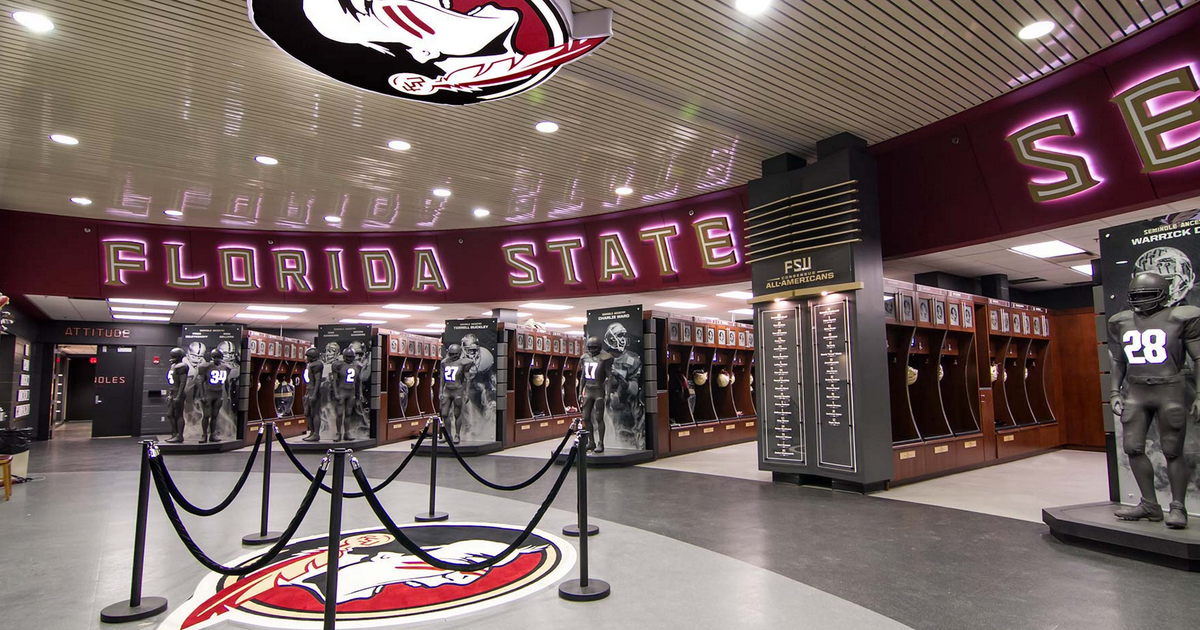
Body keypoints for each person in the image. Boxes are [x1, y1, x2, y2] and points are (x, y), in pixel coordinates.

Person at [1109, 271, 1200, 529]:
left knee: (1172, 451)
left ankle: (1178, 507)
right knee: (1132, 448)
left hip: (1169, 390)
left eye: (1147, 295)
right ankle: (1150, 504)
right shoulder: (1121, 321)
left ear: (1163, 294)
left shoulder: (1181, 317)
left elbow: (1198, 358)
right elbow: (1118, 360)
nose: (1141, 300)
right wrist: (1115, 391)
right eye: (1137, 296)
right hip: (1136, 391)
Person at [605, 322, 644, 449]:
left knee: (627, 443)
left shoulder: (632, 359)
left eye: (623, 335)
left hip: (625, 410)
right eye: (620, 335)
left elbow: (634, 389)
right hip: (604, 409)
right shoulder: (601, 358)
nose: (623, 339)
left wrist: (622, 381)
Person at [578, 336, 613, 453]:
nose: (592, 350)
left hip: (598, 390)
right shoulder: (584, 358)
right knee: (586, 417)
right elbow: (583, 376)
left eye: (594, 347)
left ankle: (601, 443)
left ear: (599, 347)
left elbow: (610, 377)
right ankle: (591, 442)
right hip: (588, 390)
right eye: (590, 347)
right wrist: (580, 392)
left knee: (599, 418)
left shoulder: (605, 358)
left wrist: (608, 393)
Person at [193, 349, 231, 443]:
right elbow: (200, 382)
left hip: (218, 394)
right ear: (212, 358)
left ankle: (213, 434)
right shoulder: (206, 367)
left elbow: (226, 383)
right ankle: (204, 435)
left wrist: (228, 395)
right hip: (208, 393)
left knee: (215, 415)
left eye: (219, 357)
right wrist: (201, 395)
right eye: (215, 357)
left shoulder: (225, 368)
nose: (217, 359)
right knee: (206, 415)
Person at [439, 344, 475, 444]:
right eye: (451, 354)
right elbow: (442, 378)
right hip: (447, 389)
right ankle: (448, 435)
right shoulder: (444, 363)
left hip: (457, 390)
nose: (453, 356)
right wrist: (440, 391)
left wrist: (467, 393)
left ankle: (457, 434)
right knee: (444, 413)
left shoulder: (463, 363)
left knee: (457, 413)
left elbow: (467, 379)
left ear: (459, 353)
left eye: (455, 354)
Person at [331, 348, 362, 442]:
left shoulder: (357, 366)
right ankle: (338, 433)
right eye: (348, 356)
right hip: (342, 391)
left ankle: (347, 433)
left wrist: (359, 394)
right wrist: (335, 393)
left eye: (351, 357)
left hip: (351, 392)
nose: (350, 358)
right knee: (339, 414)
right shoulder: (338, 365)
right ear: (344, 356)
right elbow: (334, 380)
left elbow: (358, 382)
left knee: (348, 414)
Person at [301, 347, 327, 442]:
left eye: (308, 356)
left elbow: (318, 380)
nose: (306, 358)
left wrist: (315, 394)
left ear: (312, 357)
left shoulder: (317, 365)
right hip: (309, 390)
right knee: (307, 413)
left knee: (315, 412)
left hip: (313, 390)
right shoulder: (310, 365)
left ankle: (316, 433)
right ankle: (312, 432)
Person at [164, 348, 189, 443]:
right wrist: (170, 394)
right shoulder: (173, 366)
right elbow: (173, 383)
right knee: (169, 414)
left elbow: (183, 382)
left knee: (178, 414)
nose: (172, 358)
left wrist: (178, 396)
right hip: (173, 391)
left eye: (174, 356)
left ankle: (179, 435)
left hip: (179, 392)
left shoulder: (182, 366)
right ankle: (174, 433)